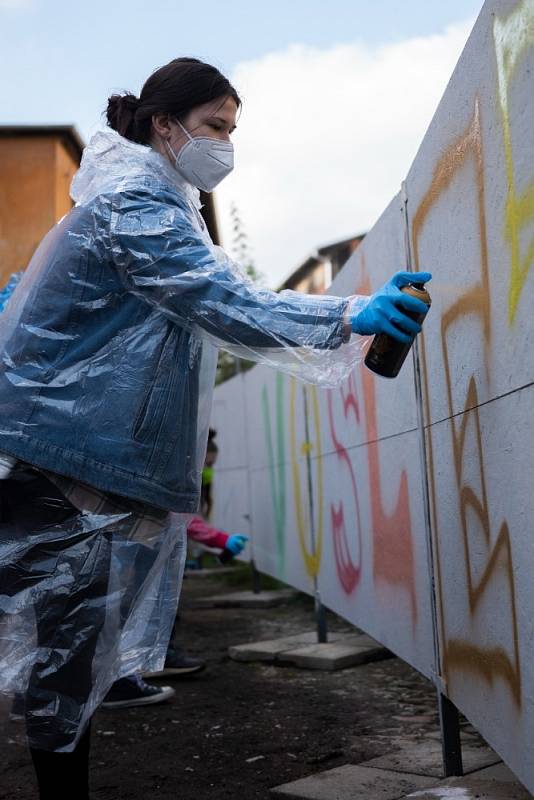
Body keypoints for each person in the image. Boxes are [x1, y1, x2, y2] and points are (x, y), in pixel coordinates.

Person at [0, 56, 431, 799]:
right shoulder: (135, 203)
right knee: (63, 664)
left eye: (233, 132)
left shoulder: (150, 198)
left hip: (83, 466)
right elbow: (217, 298)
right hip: (62, 466)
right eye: (214, 129)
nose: (225, 147)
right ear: (164, 126)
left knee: (65, 664)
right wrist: (346, 313)